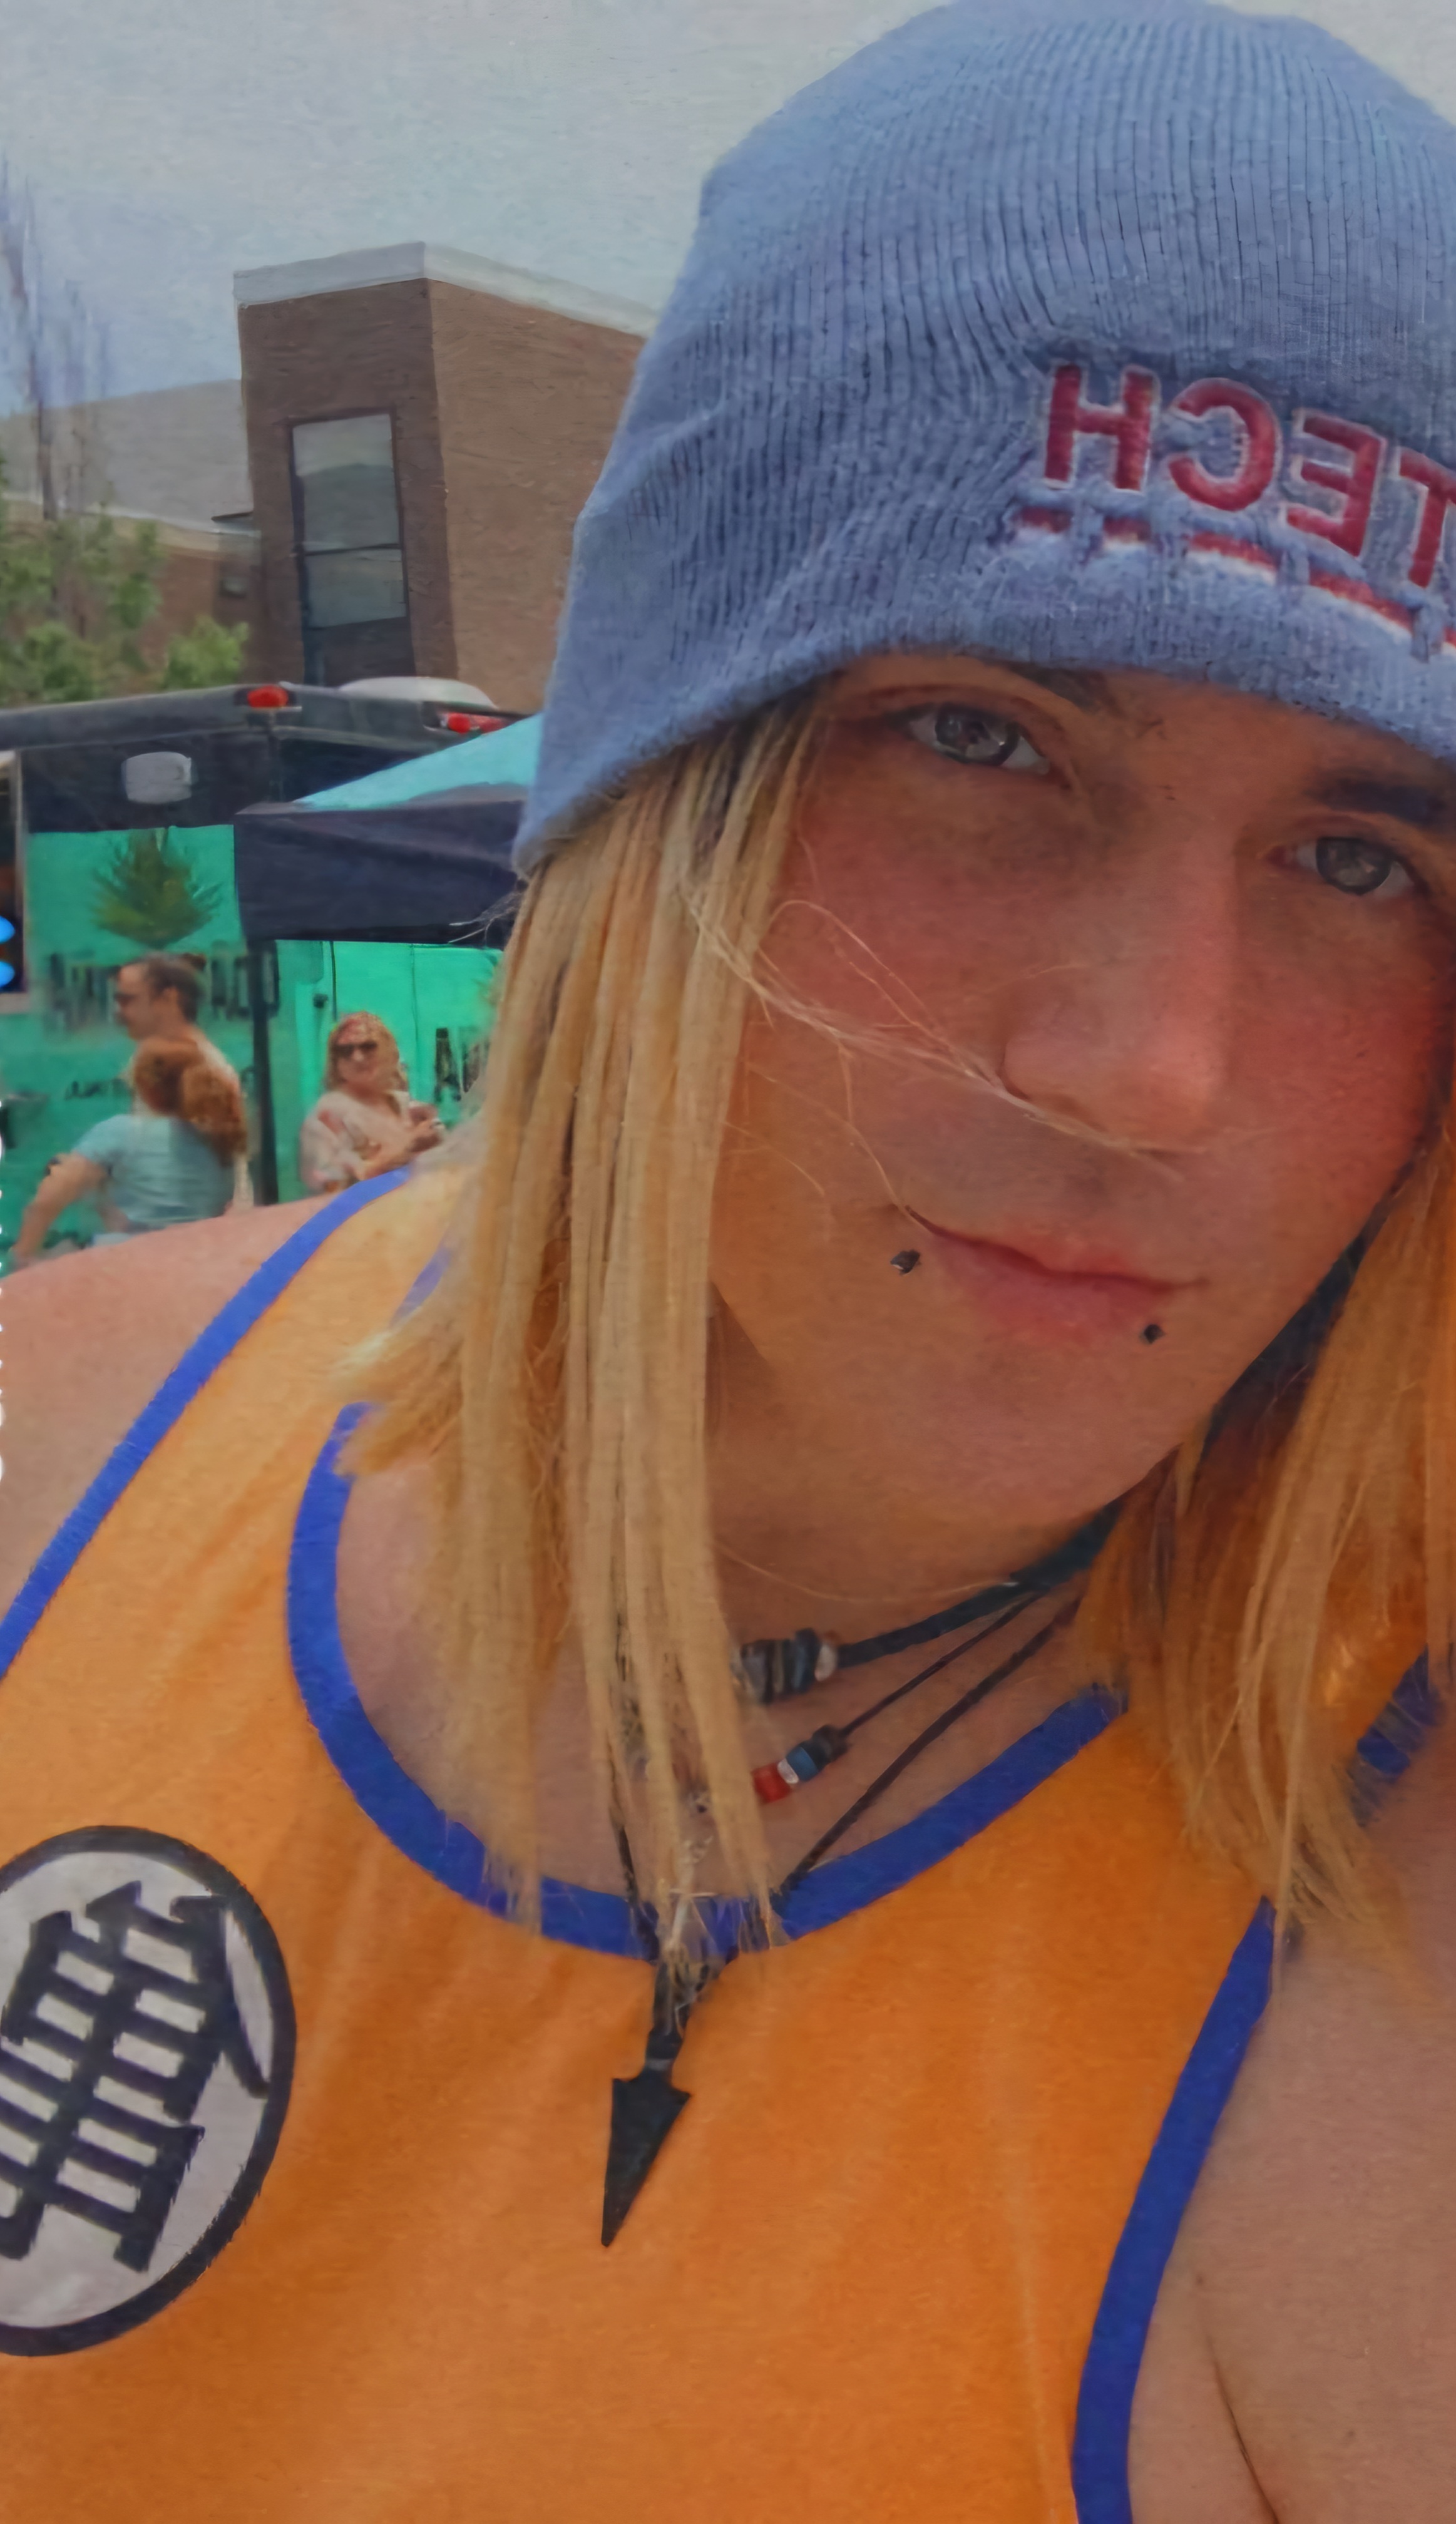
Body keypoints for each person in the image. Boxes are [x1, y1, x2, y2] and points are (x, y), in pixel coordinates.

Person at [3, 4, 1455, 2514]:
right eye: (979, 739)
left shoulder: (1381, 1952)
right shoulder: (57, 1449)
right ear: (656, 794)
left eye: (1358, 856)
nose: (1148, 1066)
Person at [8, 1036, 245, 1266]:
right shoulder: (219, 1143)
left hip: (123, 1267)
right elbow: (162, 1210)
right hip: (193, 1264)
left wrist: (23, 1254)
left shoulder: (121, 1132)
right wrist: (100, 1194)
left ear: (146, 1087)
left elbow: (50, 1197)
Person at [113, 952, 254, 1210]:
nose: (119, 1012)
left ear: (169, 999)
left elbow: (215, 1179)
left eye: (127, 1000)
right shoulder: (150, 1060)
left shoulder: (201, 1069)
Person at [297, 1010, 444, 1193]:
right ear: (336, 1063)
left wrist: (435, 1137)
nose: (357, 1058)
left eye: (368, 1047)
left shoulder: (403, 1104)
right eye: (346, 1051)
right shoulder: (329, 1114)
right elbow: (334, 1189)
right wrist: (406, 1149)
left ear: (391, 1053)